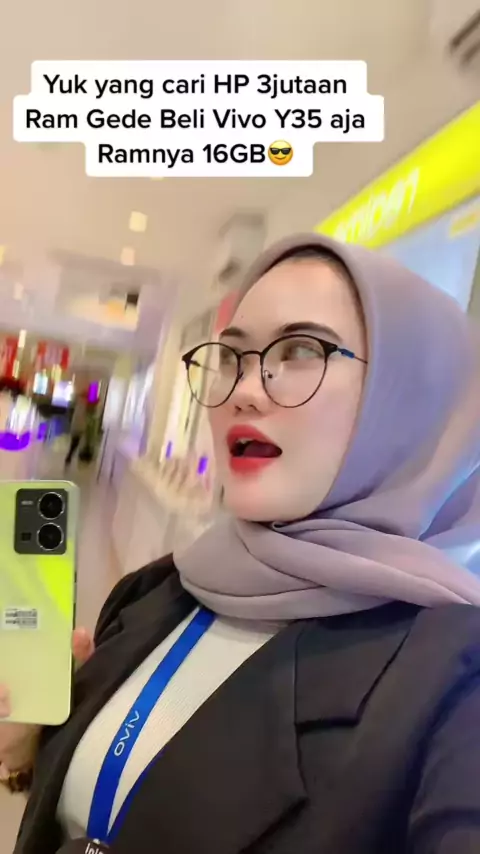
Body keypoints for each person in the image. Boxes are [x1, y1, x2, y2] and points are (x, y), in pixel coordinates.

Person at [2, 233, 480, 854]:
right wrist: (27, 751)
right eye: (231, 357)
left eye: (301, 349)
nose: (243, 390)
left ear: (410, 393)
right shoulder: (158, 588)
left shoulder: (453, 675)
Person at [65, 393, 88, 466]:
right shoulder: (83, 403)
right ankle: (71, 454)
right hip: (79, 423)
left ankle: (70, 454)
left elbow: (71, 411)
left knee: (75, 440)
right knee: (76, 440)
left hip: (77, 423)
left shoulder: (79, 402)